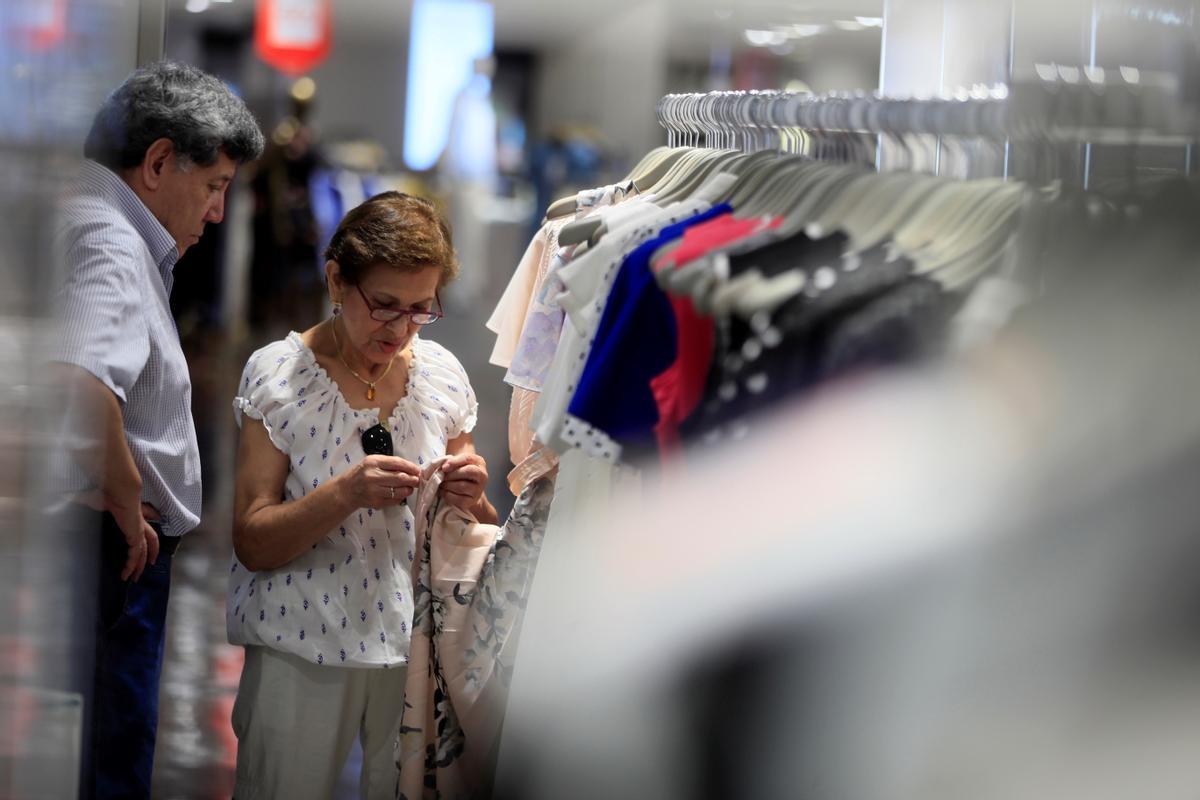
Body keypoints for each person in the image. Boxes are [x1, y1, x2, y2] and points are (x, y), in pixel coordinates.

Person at [227, 190, 496, 799]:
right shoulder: (278, 375)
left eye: (420, 310)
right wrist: (345, 492)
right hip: (300, 646)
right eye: (384, 306)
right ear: (336, 281)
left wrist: (472, 495)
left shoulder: (442, 376)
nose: (400, 329)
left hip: (413, 652)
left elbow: (478, 529)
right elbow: (252, 540)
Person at [50, 60, 263, 798]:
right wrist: (125, 497)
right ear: (158, 162)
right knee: (110, 752)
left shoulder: (106, 228)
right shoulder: (109, 240)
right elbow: (81, 381)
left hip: (110, 544)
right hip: (114, 548)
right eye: (214, 187)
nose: (215, 212)